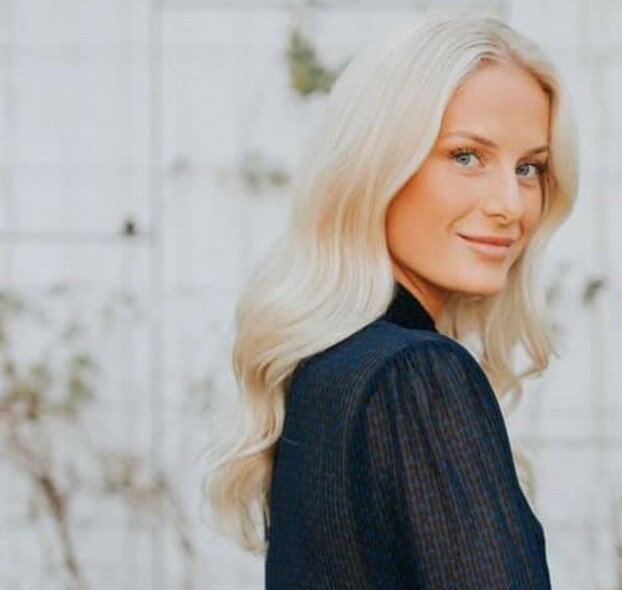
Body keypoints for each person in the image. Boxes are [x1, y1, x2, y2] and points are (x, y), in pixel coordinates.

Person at [205, 12, 578, 589]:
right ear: (377, 164)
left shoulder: (328, 365)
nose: (511, 204)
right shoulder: (416, 376)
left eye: (529, 168)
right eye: (466, 156)